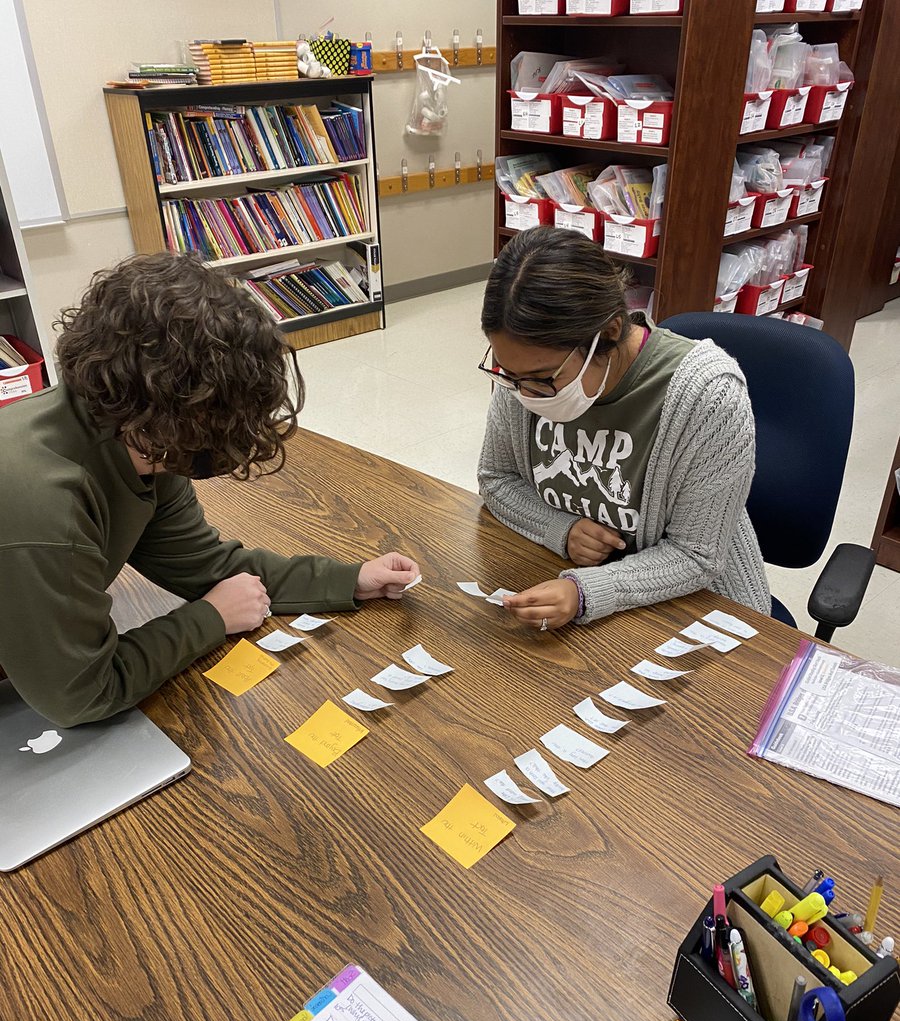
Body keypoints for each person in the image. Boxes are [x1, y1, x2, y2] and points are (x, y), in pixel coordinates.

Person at [0, 253, 419, 727]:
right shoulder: (43, 504)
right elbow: (79, 693)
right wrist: (210, 619)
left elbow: (208, 567)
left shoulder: (139, 432)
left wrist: (349, 579)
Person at [476, 226, 769, 632]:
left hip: (696, 606)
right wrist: (562, 530)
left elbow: (697, 556)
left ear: (610, 332)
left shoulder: (709, 395)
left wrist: (585, 591)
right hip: (564, 579)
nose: (524, 393)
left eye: (543, 379)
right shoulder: (525, 371)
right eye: (509, 375)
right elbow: (496, 478)